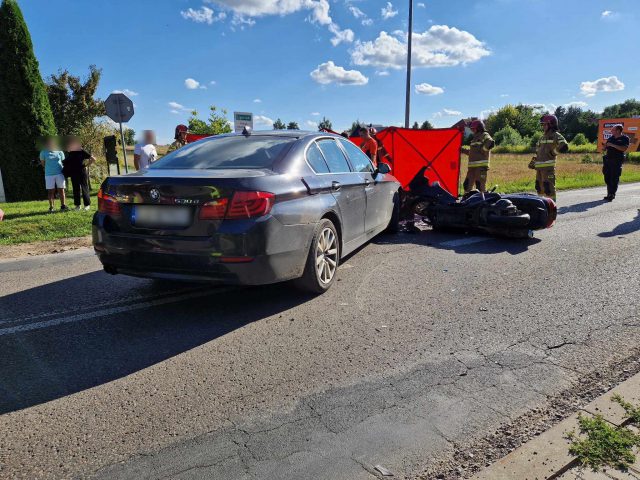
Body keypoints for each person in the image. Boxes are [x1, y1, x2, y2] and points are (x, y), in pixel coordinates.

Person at [528, 114, 569, 202]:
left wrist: (553, 153)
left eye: (545, 124)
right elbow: (538, 152)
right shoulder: (542, 137)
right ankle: (543, 207)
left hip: (548, 169)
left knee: (548, 189)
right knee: (539, 188)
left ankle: (551, 209)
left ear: (551, 124)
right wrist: (534, 162)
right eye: (542, 125)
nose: (543, 126)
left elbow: (564, 146)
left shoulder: (555, 135)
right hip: (539, 169)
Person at [460, 120, 495, 193]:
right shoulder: (474, 138)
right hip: (472, 168)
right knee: (467, 185)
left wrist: (483, 150)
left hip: (481, 167)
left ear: (479, 128)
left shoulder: (484, 134)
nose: (472, 130)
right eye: (471, 129)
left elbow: (490, 142)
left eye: (473, 128)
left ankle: (482, 202)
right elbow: (473, 152)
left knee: (480, 186)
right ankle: (466, 201)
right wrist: (462, 150)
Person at [63, 136, 95, 210]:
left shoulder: (81, 150)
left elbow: (93, 159)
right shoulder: (70, 152)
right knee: (75, 188)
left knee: (84, 187)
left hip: (82, 171)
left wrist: (86, 165)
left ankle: (87, 205)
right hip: (73, 172)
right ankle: (78, 205)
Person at [39, 137, 69, 213]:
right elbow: (43, 164)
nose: (51, 144)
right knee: (50, 191)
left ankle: (63, 206)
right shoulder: (43, 152)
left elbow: (63, 161)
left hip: (60, 173)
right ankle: (51, 207)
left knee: (61, 190)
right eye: (49, 143)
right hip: (49, 175)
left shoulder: (60, 151)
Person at [602, 124, 629, 202]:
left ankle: (612, 194)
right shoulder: (610, 138)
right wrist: (604, 147)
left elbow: (624, 148)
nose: (611, 131)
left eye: (613, 130)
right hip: (608, 160)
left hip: (617, 160)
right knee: (607, 177)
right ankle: (609, 193)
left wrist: (612, 145)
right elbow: (605, 148)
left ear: (618, 130)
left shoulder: (624, 138)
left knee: (614, 177)